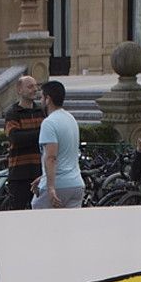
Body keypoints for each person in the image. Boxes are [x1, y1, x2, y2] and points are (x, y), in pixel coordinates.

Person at [31, 81, 85, 209]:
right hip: (76, 184)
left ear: (48, 99)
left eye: (42, 97)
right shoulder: (71, 119)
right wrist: (43, 176)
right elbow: (66, 155)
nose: (41, 100)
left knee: (38, 220)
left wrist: (50, 187)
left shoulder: (49, 123)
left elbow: (51, 157)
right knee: (69, 226)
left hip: (59, 185)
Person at [4, 76, 46, 210]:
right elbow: (15, 139)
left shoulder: (41, 111)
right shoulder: (12, 113)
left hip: (39, 173)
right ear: (19, 90)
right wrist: (41, 133)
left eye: (36, 86)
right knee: (18, 212)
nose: (35, 89)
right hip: (19, 174)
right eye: (30, 86)